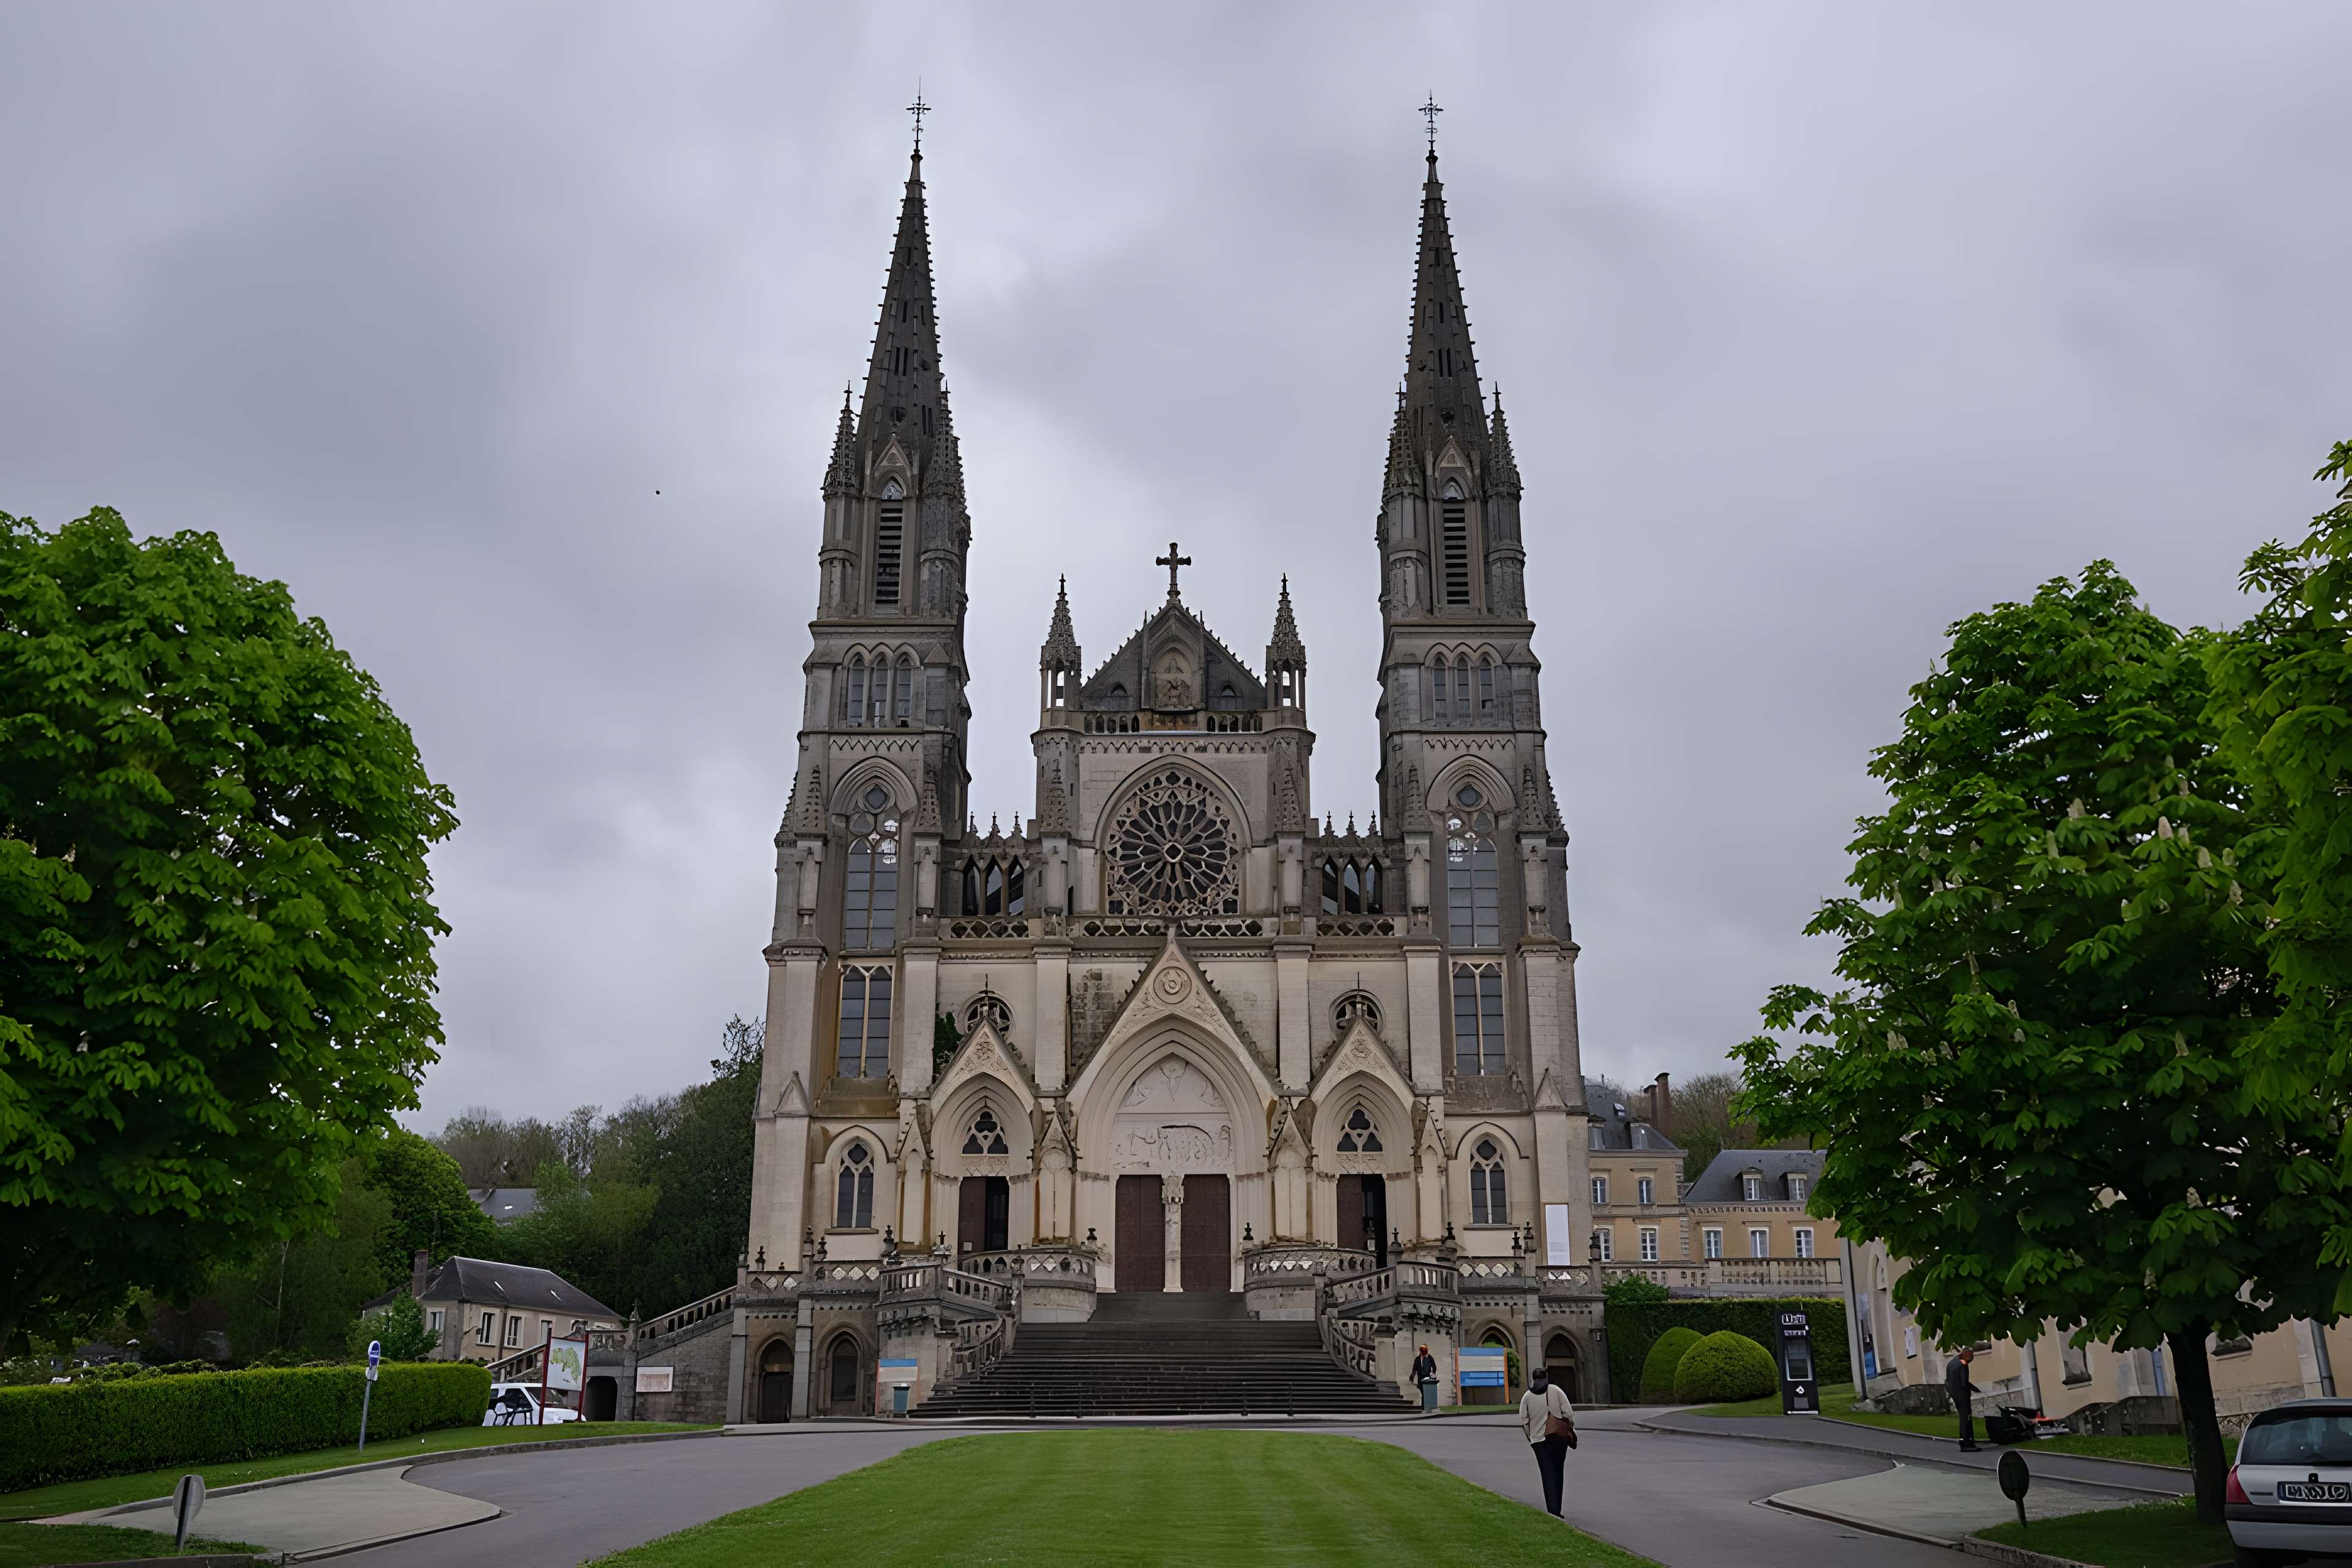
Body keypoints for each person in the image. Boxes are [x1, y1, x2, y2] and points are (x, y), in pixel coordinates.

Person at [1517, 1366, 1577, 1517]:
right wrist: (1568, 1427)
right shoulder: (1555, 1390)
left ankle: (1552, 1510)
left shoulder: (1527, 1397)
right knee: (1558, 1472)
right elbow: (1568, 1413)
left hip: (1538, 1441)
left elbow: (1524, 1420)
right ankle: (1557, 1508)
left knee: (1547, 1473)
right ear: (1546, 1376)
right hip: (1558, 1438)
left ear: (1533, 1379)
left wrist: (1532, 1436)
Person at [1945, 1348, 1979, 1452]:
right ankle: (1967, 1443)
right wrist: (1972, 1389)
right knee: (1966, 1419)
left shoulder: (1951, 1363)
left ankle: (1966, 1442)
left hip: (1954, 1394)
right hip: (1962, 1396)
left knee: (1963, 1417)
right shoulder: (1963, 1365)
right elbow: (1964, 1383)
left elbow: (1948, 1380)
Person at [1411, 1344, 1439, 1414]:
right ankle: (1425, 1407)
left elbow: (1434, 1367)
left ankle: (1425, 1407)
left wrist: (1433, 1373)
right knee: (1423, 1393)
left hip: (1428, 1379)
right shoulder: (1418, 1359)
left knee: (1426, 1393)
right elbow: (1414, 1369)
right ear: (1420, 1352)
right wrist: (1412, 1378)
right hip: (1421, 1379)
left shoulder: (1430, 1358)